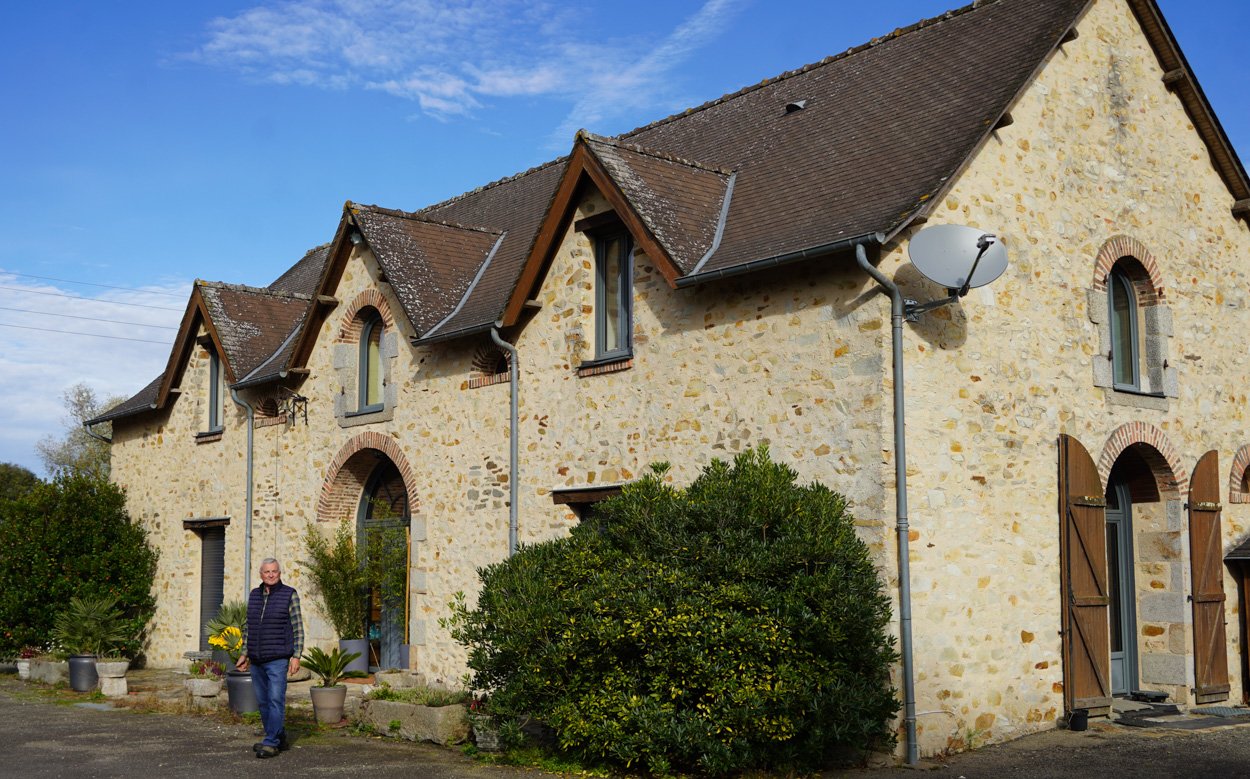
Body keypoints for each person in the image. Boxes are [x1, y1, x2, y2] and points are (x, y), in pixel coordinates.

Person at [236, 558, 304, 759]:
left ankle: (271, 742)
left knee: (275, 699)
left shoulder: (289, 594)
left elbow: (298, 627)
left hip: (278, 659)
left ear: (279, 573)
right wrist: (244, 653)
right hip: (257, 660)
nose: (271, 574)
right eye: (267, 572)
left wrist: (296, 656)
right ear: (261, 574)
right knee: (263, 702)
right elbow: (248, 628)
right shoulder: (254, 595)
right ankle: (277, 736)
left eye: (274, 571)